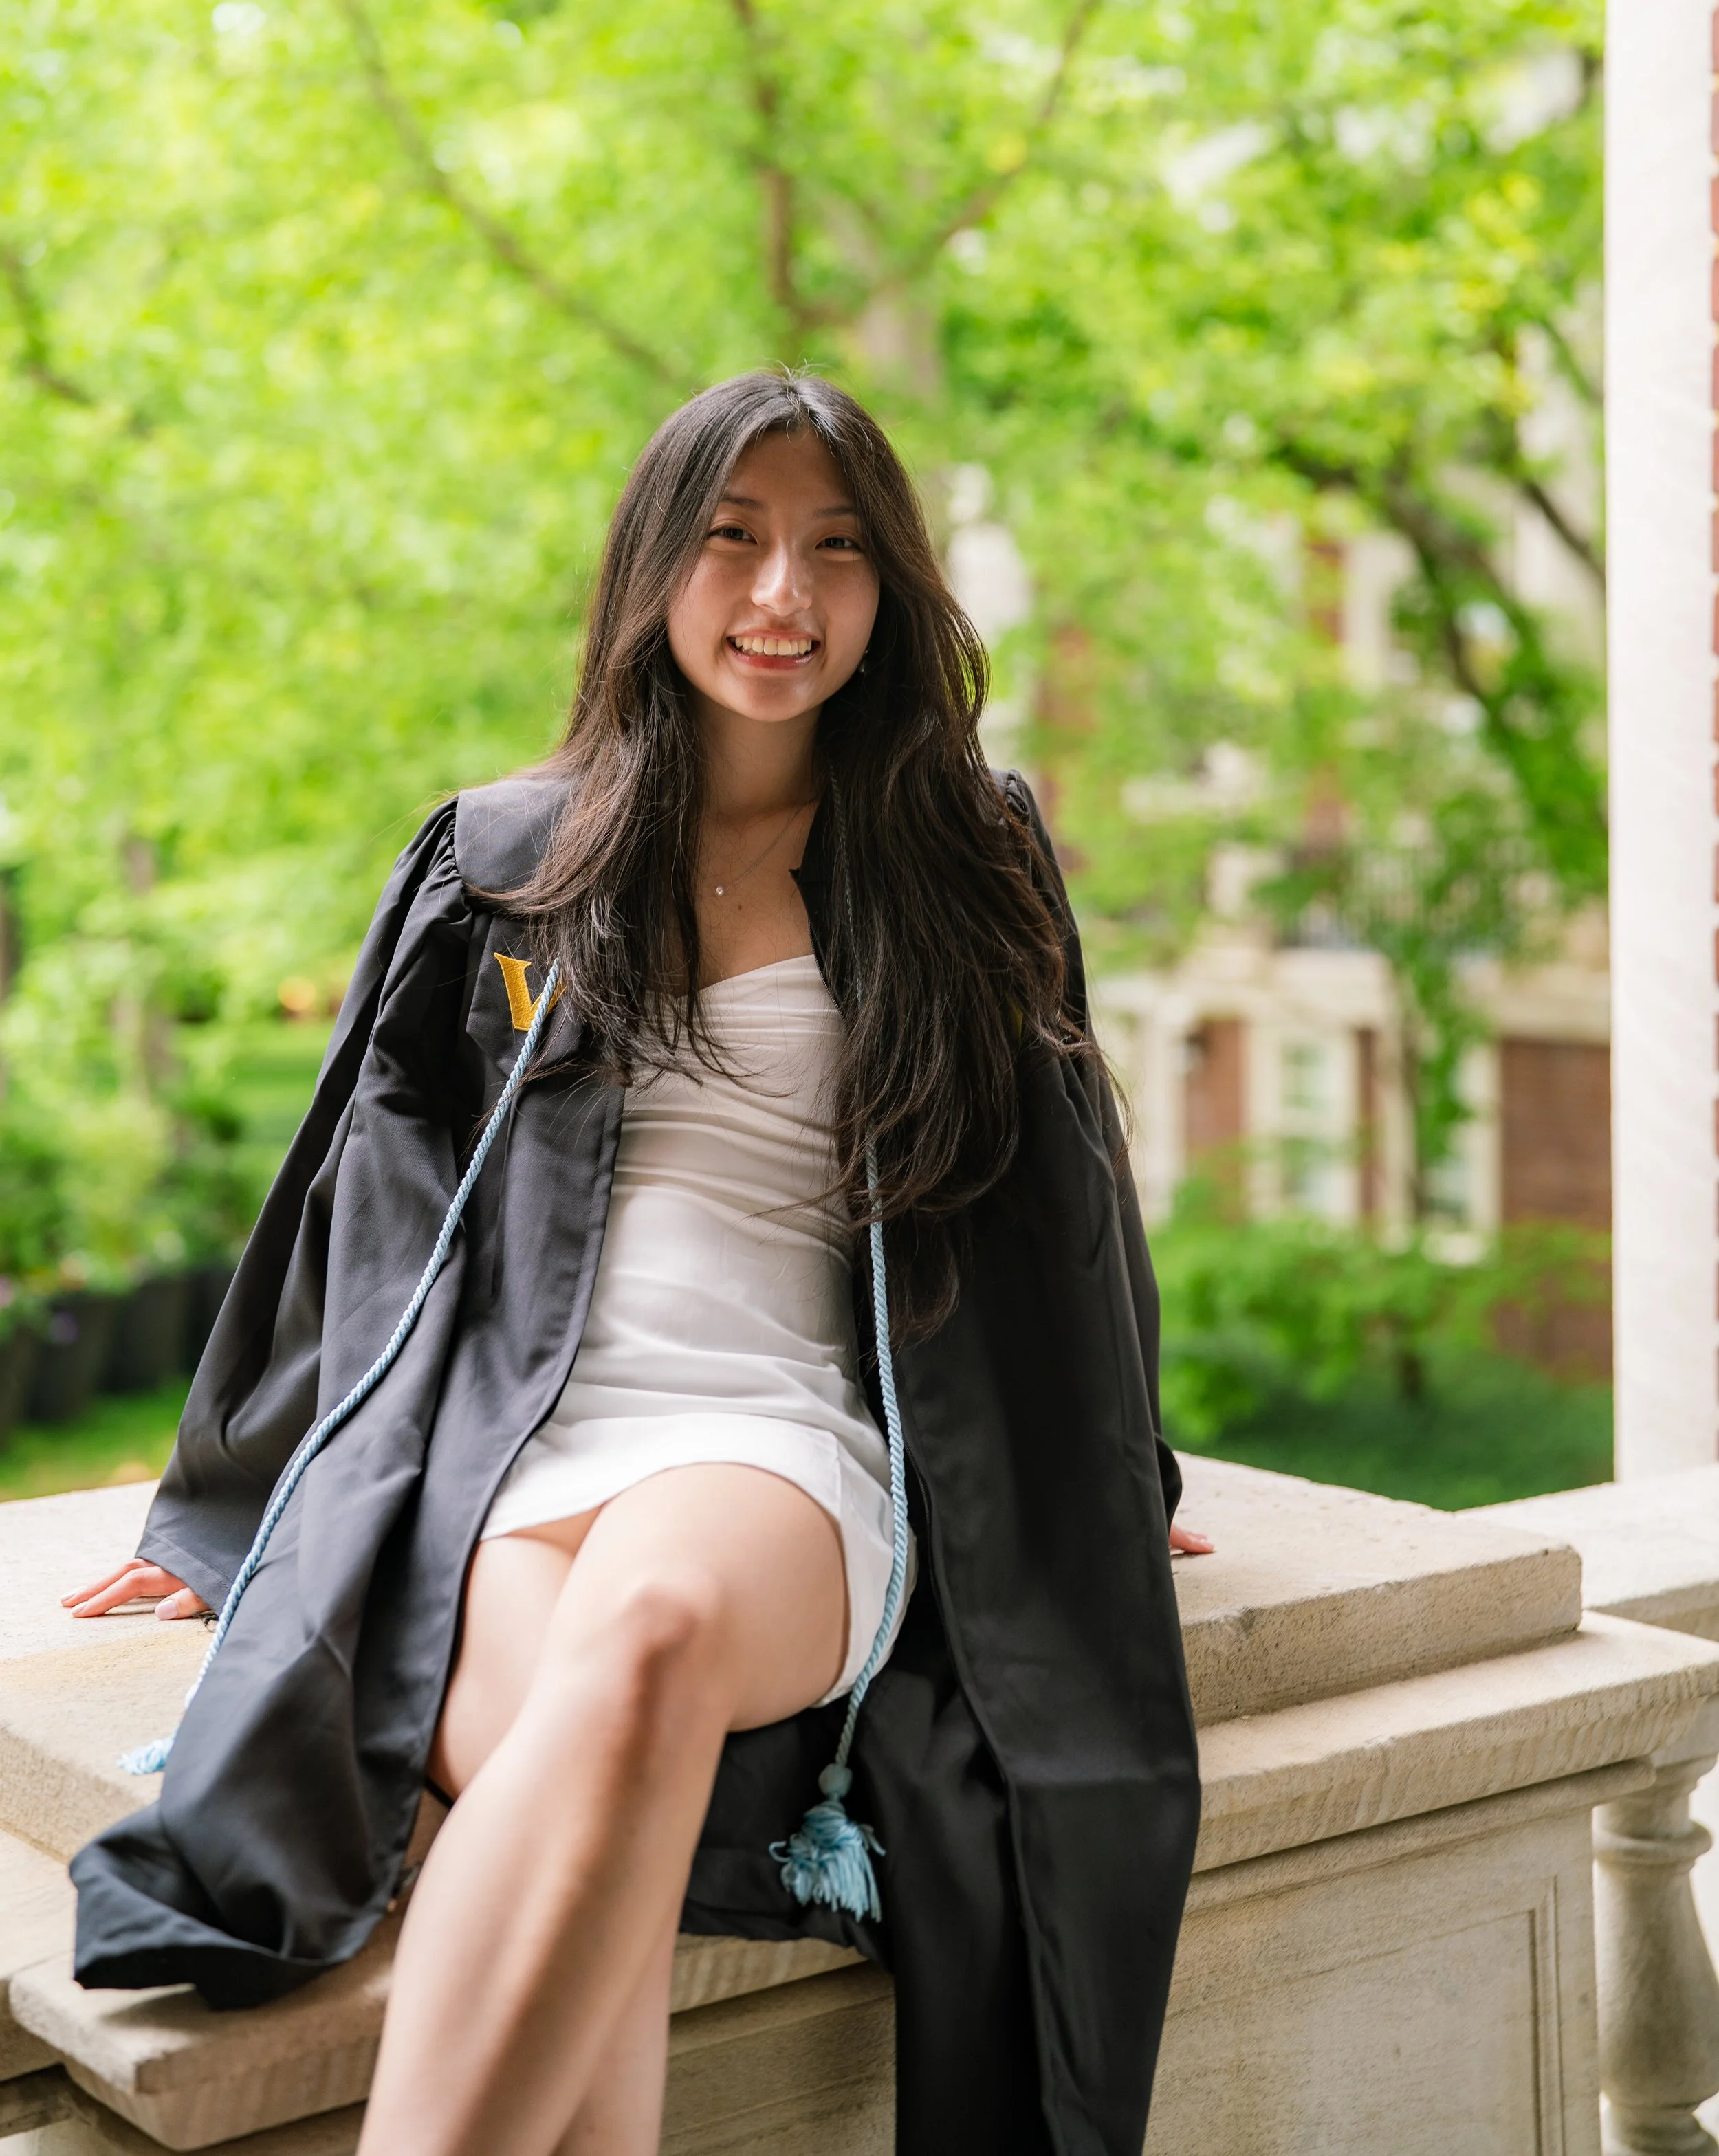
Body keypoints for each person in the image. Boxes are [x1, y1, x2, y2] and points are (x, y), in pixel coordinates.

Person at [63, 371, 1208, 2156]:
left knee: (652, 1638)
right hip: (521, 1447)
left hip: (776, 1441)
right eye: (735, 539)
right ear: (655, 569)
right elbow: (356, 1187)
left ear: (889, 587)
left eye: (835, 550)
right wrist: (224, 1490)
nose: (782, 597)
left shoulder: (961, 854)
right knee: (588, 1788)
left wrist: (1121, 1470)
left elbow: (1070, 1194)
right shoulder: (513, 860)